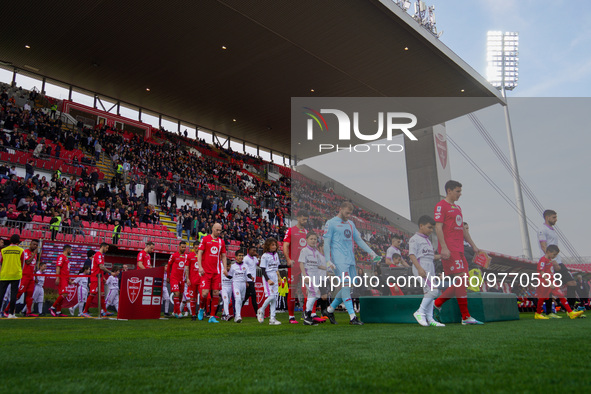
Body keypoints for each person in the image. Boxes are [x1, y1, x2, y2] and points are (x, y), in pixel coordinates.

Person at [432, 180, 483, 325]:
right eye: (458, 191)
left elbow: (463, 231)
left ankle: (437, 303)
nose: (460, 194)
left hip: (459, 248)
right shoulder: (441, 206)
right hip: (450, 249)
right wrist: (444, 247)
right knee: (461, 279)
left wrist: (474, 246)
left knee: (463, 281)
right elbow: (438, 228)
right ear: (449, 191)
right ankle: (466, 317)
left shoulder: (458, 207)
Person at [323, 201, 380, 325]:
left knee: (347, 287)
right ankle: (352, 317)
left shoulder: (351, 224)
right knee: (346, 286)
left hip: (350, 260)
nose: (349, 215)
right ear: (341, 209)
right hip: (338, 261)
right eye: (347, 213)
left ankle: (329, 310)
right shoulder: (331, 223)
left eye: (350, 213)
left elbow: (359, 240)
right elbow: (326, 243)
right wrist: (328, 260)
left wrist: (372, 253)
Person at [537, 210, 578, 317]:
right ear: (547, 217)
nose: (556, 219)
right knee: (549, 288)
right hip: (550, 262)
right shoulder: (542, 230)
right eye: (554, 217)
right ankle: (550, 312)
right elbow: (543, 246)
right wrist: (551, 261)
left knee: (572, 283)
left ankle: (570, 309)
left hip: (558, 260)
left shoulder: (552, 230)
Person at [409, 215, 445, 327]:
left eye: (432, 228)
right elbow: (412, 255)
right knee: (434, 291)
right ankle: (420, 312)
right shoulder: (414, 239)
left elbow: (430, 256)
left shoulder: (427, 240)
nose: (431, 230)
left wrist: (442, 256)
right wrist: (419, 268)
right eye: (429, 227)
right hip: (422, 267)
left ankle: (430, 319)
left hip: (430, 267)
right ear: (421, 226)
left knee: (428, 293)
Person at [534, 245, 583, 320]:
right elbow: (541, 272)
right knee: (542, 298)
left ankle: (571, 313)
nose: (555, 256)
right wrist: (549, 283)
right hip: (545, 282)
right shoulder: (543, 260)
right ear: (548, 252)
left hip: (551, 281)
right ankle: (538, 314)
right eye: (554, 254)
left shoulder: (550, 259)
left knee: (561, 295)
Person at [282, 209, 309, 324]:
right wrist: (288, 259)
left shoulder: (307, 232)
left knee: (307, 290)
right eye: (303, 219)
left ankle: (306, 314)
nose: (305, 221)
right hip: (294, 266)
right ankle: (291, 316)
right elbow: (285, 245)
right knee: (292, 290)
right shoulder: (291, 231)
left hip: (305, 267)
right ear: (298, 218)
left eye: (306, 219)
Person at [197, 223, 227, 323]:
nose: (219, 232)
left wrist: (225, 268)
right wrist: (200, 267)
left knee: (216, 293)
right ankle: (201, 308)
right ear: (213, 229)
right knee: (205, 293)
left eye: (220, 230)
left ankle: (212, 316)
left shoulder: (221, 242)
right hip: (206, 271)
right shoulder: (205, 239)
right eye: (217, 230)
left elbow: (223, 255)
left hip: (216, 272)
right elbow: (200, 253)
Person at [298, 232, 327, 326]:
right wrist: (304, 276)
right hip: (308, 275)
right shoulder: (304, 250)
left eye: (315, 239)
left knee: (315, 295)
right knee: (314, 294)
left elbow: (319, 265)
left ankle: (308, 316)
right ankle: (307, 315)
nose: (313, 240)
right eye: (311, 239)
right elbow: (301, 263)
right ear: (306, 240)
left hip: (316, 277)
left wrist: (329, 268)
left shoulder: (316, 252)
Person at [4, 239, 39, 317]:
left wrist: (35, 276)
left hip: (31, 277)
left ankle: (28, 312)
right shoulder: (26, 252)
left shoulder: (35, 254)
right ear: (30, 244)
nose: (35, 246)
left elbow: (34, 266)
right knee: (19, 293)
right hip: (24, 276)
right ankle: (7, 309)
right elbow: (27, 262)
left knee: (30, 294)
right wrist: (33, 254)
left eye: (36, 245)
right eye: (34, 244)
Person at [82, 242, 113, 317]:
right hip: (95, 278)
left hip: (100, 278)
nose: (107, 249)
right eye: (106, 248)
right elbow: (101, 267)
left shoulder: (100, 255)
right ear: (102, 247)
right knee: (92, 294)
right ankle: (84, 312)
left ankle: (104, 311)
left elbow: (100, 268)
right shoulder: (98, 255)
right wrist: (110, 272)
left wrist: (103, 277)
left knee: (102, 295)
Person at [257, 238, 282, 325]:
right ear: (268, 246)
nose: (274, 246)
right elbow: (263, 270)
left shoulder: (276, 255)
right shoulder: (265, 256)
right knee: (271, 296)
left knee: (274, 298)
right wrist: (268, 280)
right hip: (268, 277)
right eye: (272, 245)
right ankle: (261, 309)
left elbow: (277, 266)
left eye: (275, 245)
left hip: (274, 276)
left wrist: (279, 277)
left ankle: (272, 318)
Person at [0, 234, 25, 319]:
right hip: (15, 275)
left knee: (1, 294)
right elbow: (22, 264)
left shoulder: (3, 250)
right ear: (18, 241)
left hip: (4, 274)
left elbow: (0, 261)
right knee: (13, 295)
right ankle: (11, 314)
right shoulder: (21, 250)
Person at [225, 250, 252, 323]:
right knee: (238, 298)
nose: (241, 257)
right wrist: (226, 275)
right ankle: (238, 316)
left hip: (243, 284)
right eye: (239, 255)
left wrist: (251, 277)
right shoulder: (233, 266)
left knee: (241, 300)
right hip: (236, 284)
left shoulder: (245, 266)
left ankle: (237, 315)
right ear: (236, 257)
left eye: (242, 255)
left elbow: (248, 274)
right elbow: (230, 276)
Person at [49, 244, 73, 317]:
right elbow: (58, 267)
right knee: (64, 294)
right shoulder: (61, 257)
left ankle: (58, 312)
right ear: (67, 250)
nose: (71, 251)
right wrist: (57, 278)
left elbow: (67, 270)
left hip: (65, 278)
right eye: (71, 250)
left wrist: (69, 279)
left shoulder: (66, 259)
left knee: (62, 295)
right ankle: (52, 307)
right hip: (62, 278)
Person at [167, 241, 188, 318]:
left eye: (184, 247)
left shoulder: (186, 257)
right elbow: (169, 266)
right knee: (177, 293)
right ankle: (179, 312)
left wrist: (186, 277)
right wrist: (168, 277)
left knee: (181, 295)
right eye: (182, 247)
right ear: (179, 247)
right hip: (174, 278)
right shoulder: (174, 255)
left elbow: (187, 268)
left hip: (182, 278)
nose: (183, 248)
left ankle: (174, 311)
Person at [184, 242, 201, 320]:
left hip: (201, 280)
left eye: (199, 247)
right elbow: (187, 267)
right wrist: (187, 278)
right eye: (196, 247)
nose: (197, 249)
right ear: (193, 247)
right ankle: (193, 314)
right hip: (192, 280)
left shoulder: (203, 255)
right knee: (192, 298)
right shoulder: (190, 256)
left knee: (204, 296)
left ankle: (201, 310)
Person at [242, 246, 259, 315]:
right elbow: (244, 269)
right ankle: (257, 313)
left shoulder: (254, 258)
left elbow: (259, 265)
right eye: (253, 250)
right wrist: (245, 281)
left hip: (252, 280)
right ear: (249, 250)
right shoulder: (245, 259)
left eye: (255, 250)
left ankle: (236, 311)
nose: (254, 252)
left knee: (245, 297)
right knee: (253, 297)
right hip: (248, 280)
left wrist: (258, 257)